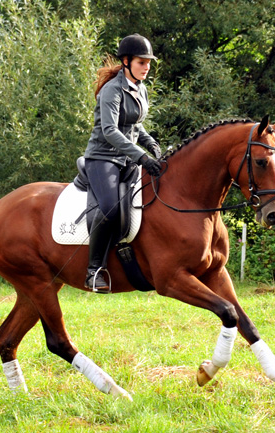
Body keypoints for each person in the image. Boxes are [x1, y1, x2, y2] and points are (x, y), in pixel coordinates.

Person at [83, 34, 162, 293]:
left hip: (127, 158)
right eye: (142, 62)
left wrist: (151, 144)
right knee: (109, 208)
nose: (147, 66)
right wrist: (142, 157)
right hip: (102, 158)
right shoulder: (111, 90)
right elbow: (110, 131)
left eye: (149, 62)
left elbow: (135, 125)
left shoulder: (141, 88)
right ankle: (93, 271)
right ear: (126, 61)